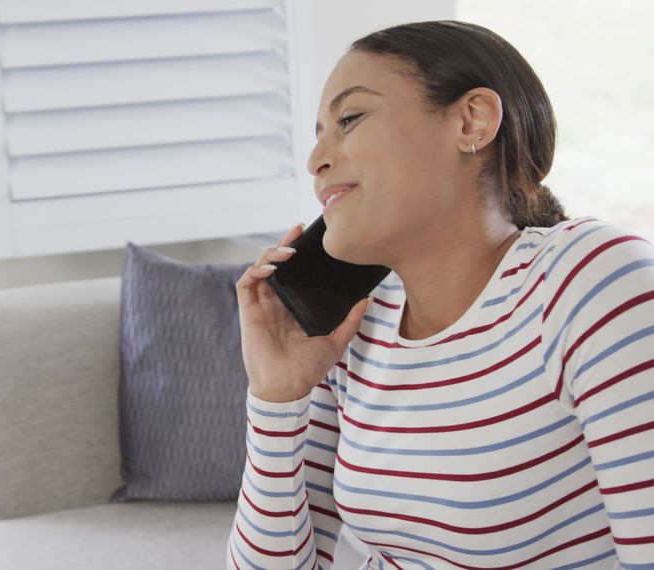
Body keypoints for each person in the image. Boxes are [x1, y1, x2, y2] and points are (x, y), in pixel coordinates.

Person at [228, 20, 654, 569]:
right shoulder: (357, 323)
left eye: (350, 118)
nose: (316, 161)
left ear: (471, 120)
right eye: (317, 135)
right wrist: (276, 396)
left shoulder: (591, 279)